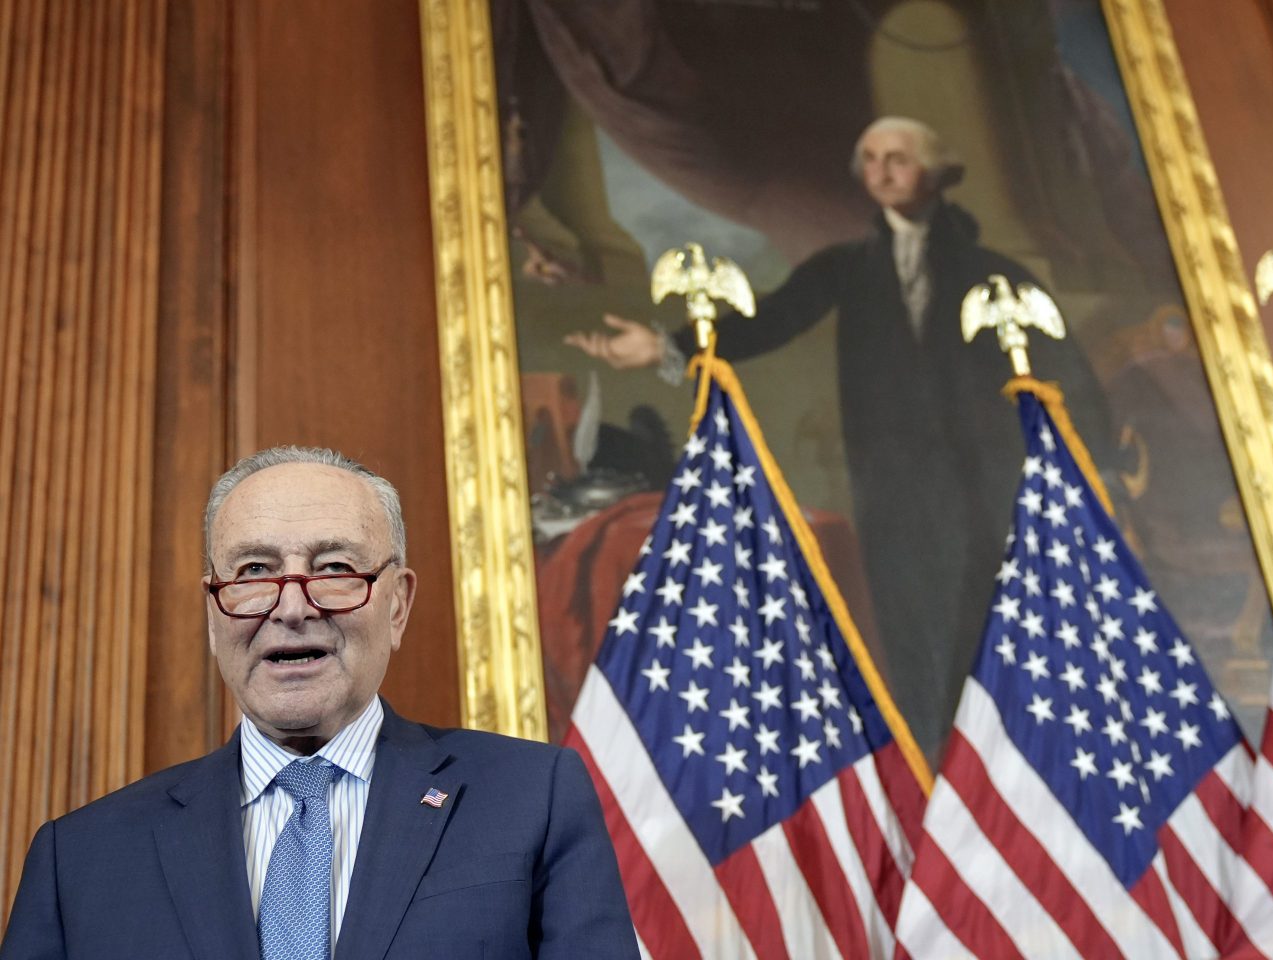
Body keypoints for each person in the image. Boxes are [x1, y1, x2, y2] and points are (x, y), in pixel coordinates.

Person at [566, 117, 1111, 760]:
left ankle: (1004, 767)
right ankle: (931, 764)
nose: (881, 172)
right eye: (871, 159)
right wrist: (665, 346)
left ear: (934, 173)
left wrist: (1101, 464)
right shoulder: (849, 268)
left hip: (985, 486)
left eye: (898, 159)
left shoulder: (994, 273)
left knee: (993, 620)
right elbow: (773, 319)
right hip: (894, 490)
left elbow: (1066, 374)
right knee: (908, 626)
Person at [0, 447, 639, 960]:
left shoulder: (535, 796)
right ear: (213, 611)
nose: (293, 606)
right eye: (253, 572)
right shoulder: (79, 859)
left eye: (334, 567)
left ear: (397, 605)